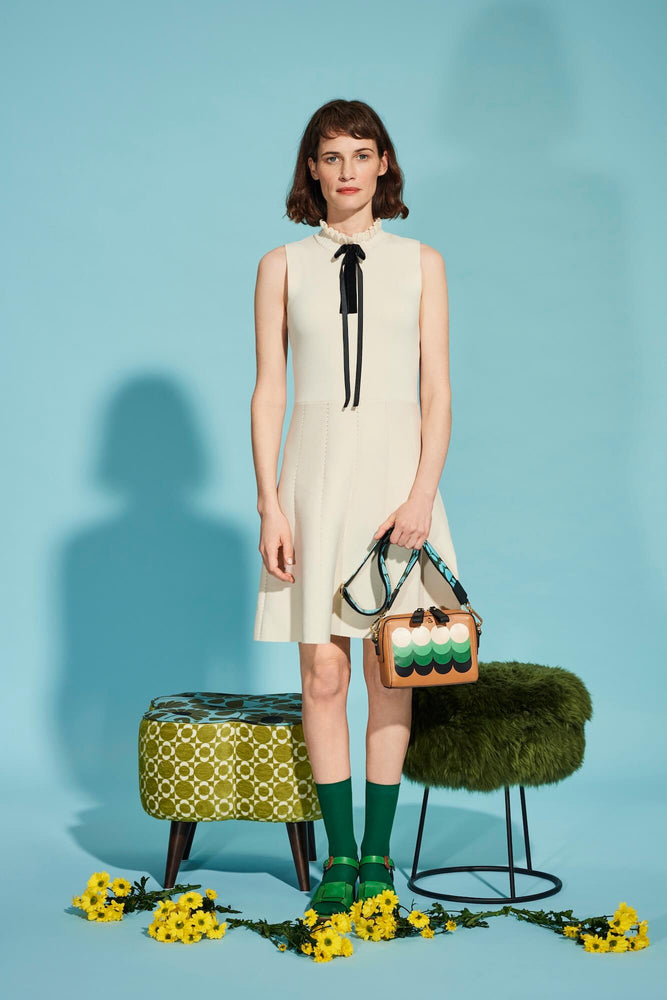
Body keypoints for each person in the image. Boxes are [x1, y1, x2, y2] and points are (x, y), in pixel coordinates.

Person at [250, 99, 460, 921]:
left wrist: (418, 497)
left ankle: (378, 855)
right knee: (322, 671)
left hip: (395, 489)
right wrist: (269, 503)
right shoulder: (280, 265)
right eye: (330, 156)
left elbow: (437, 393)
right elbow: (270, 392)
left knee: (388, 672)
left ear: (383, 165)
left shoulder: (422, 263)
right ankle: (338, 856)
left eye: (360, 155)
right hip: (310, 484)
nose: (345, 171)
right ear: (311, 168)